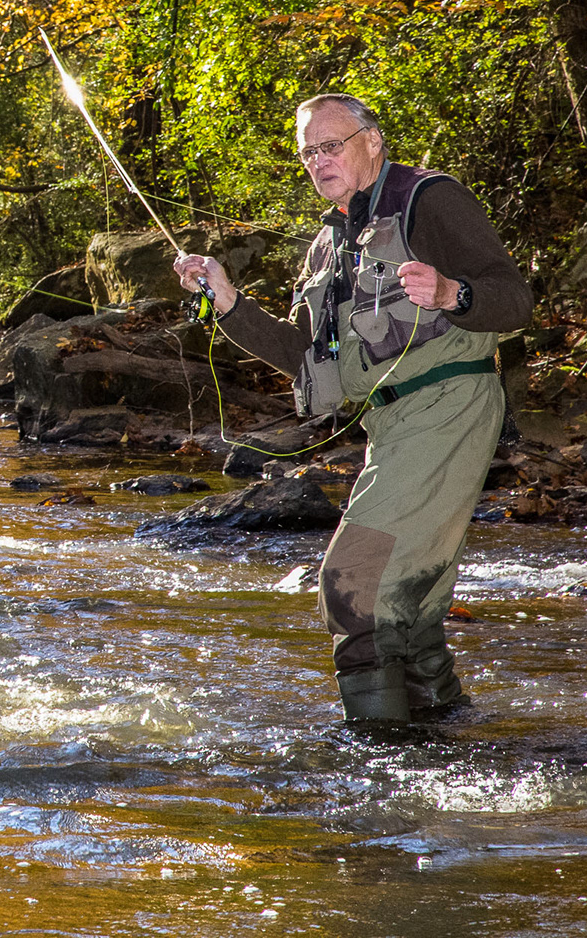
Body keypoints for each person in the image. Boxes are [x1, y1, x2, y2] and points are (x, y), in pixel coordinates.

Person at [173, 94, 533, 724]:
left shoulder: (430, 199)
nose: (317, 161)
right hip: (389, 427)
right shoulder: (327, 245)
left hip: (449, 404)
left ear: (372, 141)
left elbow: (513, 299)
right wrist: (228, 302)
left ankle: (379, 764)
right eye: (308, 152)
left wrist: (454, 292)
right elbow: (305, 355)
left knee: (354, 586)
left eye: (330, 145)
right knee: (411, 609)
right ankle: (443, 743)